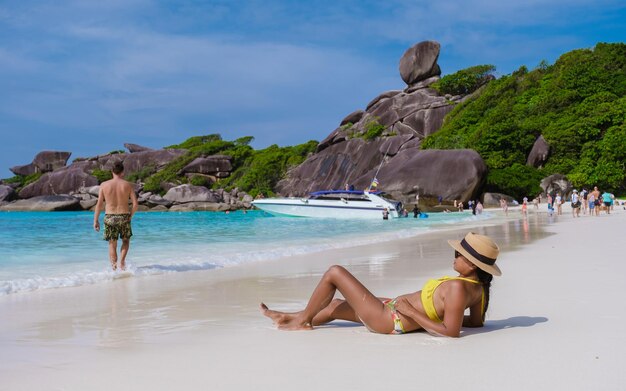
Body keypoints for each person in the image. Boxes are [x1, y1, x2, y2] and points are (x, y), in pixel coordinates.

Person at [261, 232, 501, 337]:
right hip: (394, 311)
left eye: (459, 254)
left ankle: (301, 322)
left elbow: (452, 332)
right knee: (335, 304)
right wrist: (439, 316)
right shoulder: (478, 288)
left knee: (334, 273)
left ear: (471, 265)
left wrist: (412, 314)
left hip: (391, 319)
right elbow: (476, 323)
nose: (454, 256)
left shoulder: (459, 288)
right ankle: (290, 317)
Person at [93, 161, 139, 271]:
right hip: (124, 217)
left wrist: (95, 220)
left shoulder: (104, 185)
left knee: (112, 244)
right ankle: (122, 262)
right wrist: (130, 216)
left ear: (111, 171)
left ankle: (114, 269)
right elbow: (136, 204)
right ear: (122, 172)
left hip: (110, 217)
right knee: (126, 241)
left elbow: (99, 204)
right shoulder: (127, 185)